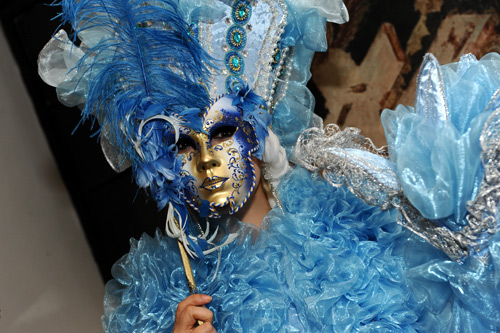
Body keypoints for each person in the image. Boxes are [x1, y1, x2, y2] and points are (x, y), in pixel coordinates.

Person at [38, 0, 500, 331]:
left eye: (221, 133)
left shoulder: (352, 211)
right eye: (180, 145)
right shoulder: (160, 302)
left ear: (256, 133)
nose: (205, 162)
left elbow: (459, 299)